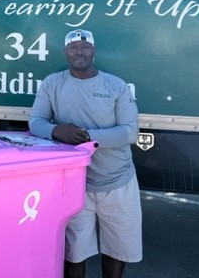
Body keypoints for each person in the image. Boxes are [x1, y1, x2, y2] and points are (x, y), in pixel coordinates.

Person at [29, 29, 142, 278]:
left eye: (85, 46)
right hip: (74, 183)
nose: (79, 51)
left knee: (118, 248)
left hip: (118, 180)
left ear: (94, 51)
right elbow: (36, 121)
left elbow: (129, 132)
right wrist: (57, 130)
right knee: (73, 252)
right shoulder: (52, 83)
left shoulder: (115, 85)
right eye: (73, 47)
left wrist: (88, 137)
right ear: (65, 52)